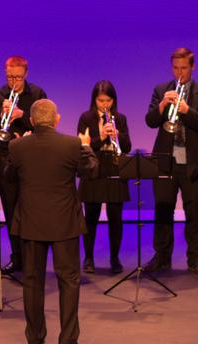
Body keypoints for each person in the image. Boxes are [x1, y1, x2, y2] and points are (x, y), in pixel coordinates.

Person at [6, 99, 97, 344]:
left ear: (32, 121)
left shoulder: (17, 146)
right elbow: (90, 170)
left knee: (32, 281)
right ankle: (68, 340)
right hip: (64, 223)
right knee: (69, 280)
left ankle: (35, 338)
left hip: (31, 223)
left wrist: (20, 146)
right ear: (56, 120)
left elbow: (9, 177)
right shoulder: (71, 144)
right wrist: (88, 147)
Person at [143, 48, 198, 277]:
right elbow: (150, 121)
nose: (179, 73)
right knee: (163, 209)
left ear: (192, 67)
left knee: (194, 211)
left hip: (192, 161)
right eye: (176, 68)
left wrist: (186, 110)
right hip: (166, 160)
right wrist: (163, 106)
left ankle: (195, 258)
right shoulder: (160, 90)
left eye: (184, 68)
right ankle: (162, 256)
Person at [0, 55, 48, 274]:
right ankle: (16, 257)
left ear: (26, 74)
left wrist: (21, 115)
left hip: (33, 160)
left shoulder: (38, 95)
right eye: (10, 77)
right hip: (7, 158)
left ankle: (33, 257)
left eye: (18, 78)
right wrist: (4, 117)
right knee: (11, 210)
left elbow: (45, 125)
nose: (14, 82)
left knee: (32, 210)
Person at [76, 80, 132, 274]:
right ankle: (89, 257)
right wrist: (100, 135)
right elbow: (82, 146)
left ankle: (115, 258)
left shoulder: (121, 118)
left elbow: (127, 147)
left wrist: (117, 134)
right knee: (90, 216)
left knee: (115, 217)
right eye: (101, 101)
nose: (104, 104)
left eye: (108, 100)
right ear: (94, 100)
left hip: (115, 167)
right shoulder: (86, 118)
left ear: (113, 100)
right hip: (94, 168)